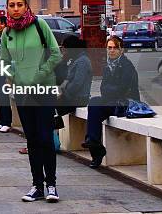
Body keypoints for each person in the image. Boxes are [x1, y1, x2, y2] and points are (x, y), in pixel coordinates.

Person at [0, 0, 62, 203]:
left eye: (19, 4)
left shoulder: (39, 26)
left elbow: (56, 54)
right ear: (7, 8)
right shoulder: (7, 31)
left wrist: (38, 75)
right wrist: (14, 77)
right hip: (22, 94)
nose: (15, 8)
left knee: (46, 139)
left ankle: (51, 185)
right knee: (33, 141)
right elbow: (3, 61)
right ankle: (37, 185)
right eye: (11, 5)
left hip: (43, 91)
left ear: (26, 6)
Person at [82, 36, 140, 168]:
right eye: (109, 48)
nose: (112, 51)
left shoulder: (127, 66)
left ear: (121, 50)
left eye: (115, 48)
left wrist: (110, 90)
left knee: (98, 108)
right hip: (112, 100)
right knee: (93, 102)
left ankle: (94, 146)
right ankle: (94, 144)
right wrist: (111, 90)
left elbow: (122, 89)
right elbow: (103, 88)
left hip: (126, 103)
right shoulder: (108, 66)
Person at [56, 36, 92, 116]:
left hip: (79, 98)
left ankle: (51, 125)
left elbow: (77, 83)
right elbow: (61, 78)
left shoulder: (82, 61)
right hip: (72, 97)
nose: (62, 52)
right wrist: (63, 61)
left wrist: (63, 93)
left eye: (64, 49)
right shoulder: (74, 60)